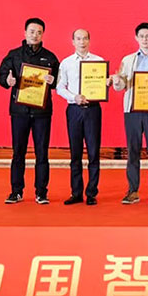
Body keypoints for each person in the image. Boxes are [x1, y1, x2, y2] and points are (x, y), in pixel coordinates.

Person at [0, 17, 59, 205]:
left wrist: (53, 82)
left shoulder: (50, 57)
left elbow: (60, 82)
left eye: (39, 32)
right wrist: (7, 81)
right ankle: (16, 191)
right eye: (32, 31)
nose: (35, 35)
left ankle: (41, 192)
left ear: (43, 35)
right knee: (18, 152)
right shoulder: (14, 55)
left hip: (42, 113)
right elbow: (2, 76)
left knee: (42, 153)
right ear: (25, 33)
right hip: (19, 112)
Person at [111, 22, 148, 205]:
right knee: (133, 150)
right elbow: (121, 86)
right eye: (141, 36)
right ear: (136, 38)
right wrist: (117, 81)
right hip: (132, 110)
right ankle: (132, 190)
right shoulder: (128, 60)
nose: (145, 39)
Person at [55, 28, 109, 206]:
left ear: (89, 40)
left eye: (85, 38)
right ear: (73, 41)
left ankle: (92, 192)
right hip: (74, 109)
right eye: (78, 39)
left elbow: (103, 85)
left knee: (93, 152)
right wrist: (74, 97)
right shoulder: (66, 63)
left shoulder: (99, 61)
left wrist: (107, 83)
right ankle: (76, 192)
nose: (82, 42)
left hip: (93, 110)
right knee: (75, 153)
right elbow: (60, 87)